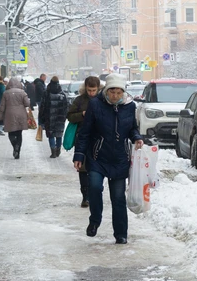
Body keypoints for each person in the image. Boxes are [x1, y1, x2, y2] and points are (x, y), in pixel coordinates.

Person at [73, 73, 143, 244]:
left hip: (119, 158)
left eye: (119, 92)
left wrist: (137, 137)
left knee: (118, 197)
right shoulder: (96, 105)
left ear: (123, 92)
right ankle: (95, 220)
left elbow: (132, 128)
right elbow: (85, 132)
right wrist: (79, 155)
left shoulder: (130, 106)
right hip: (98, 156)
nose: (115, 96)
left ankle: (121, 234)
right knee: (95, 188)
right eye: (112, 92)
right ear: (106, 90)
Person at [67, 76, 101, 207]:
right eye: (89, 90)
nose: (91, 93)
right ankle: (85, 196)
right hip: (82, 139)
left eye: (94, 90)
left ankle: (94, 194)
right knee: (83, 169)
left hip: (99, 140)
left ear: (98, 89)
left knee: (96, 170)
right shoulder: (80, 100)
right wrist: (82, 114)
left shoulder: (103, 100)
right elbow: (69, 116)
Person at [0, 77, 34, 159]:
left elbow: (2, 106)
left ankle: (14, 144)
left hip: (9, 115)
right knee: (19, 133)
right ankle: (17, 148)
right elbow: (27, 103)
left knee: (10, 132)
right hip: (21, 115)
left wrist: (0, 118)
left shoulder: (5, 93)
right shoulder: (22, 92)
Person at [39, 76, 70, 158]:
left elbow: (42, 106)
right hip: (60, 118)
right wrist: (64, 116)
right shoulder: (62, 94)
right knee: (59, 134)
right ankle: (58, 150)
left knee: (51, 135)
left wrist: (41, 118)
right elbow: (66, 107)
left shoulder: (46, 93)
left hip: (49, 117)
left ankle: (53, 151)